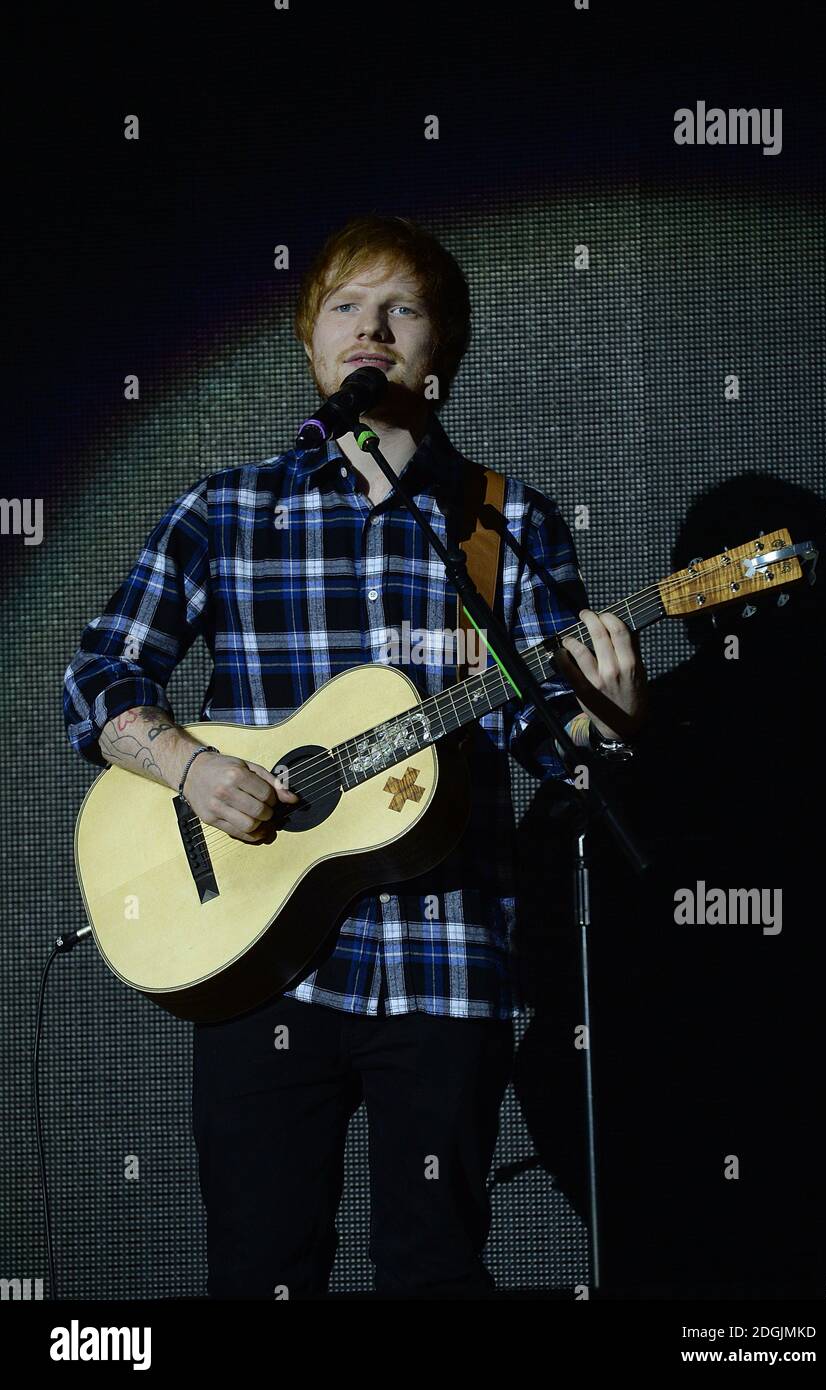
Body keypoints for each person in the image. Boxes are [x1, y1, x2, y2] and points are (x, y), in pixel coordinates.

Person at [63, 214, 648, 1299]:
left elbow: (541, 733)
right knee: (260, 1269)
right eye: (344, 305)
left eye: (403, 308)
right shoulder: (226, 512)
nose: (370, 327)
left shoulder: (502, 523)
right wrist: (192, 769)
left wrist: (600, 724)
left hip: (447, 966)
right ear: (311, 342)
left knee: (432, 1272)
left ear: (441, 355)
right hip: (255, 961)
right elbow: (96, 679)